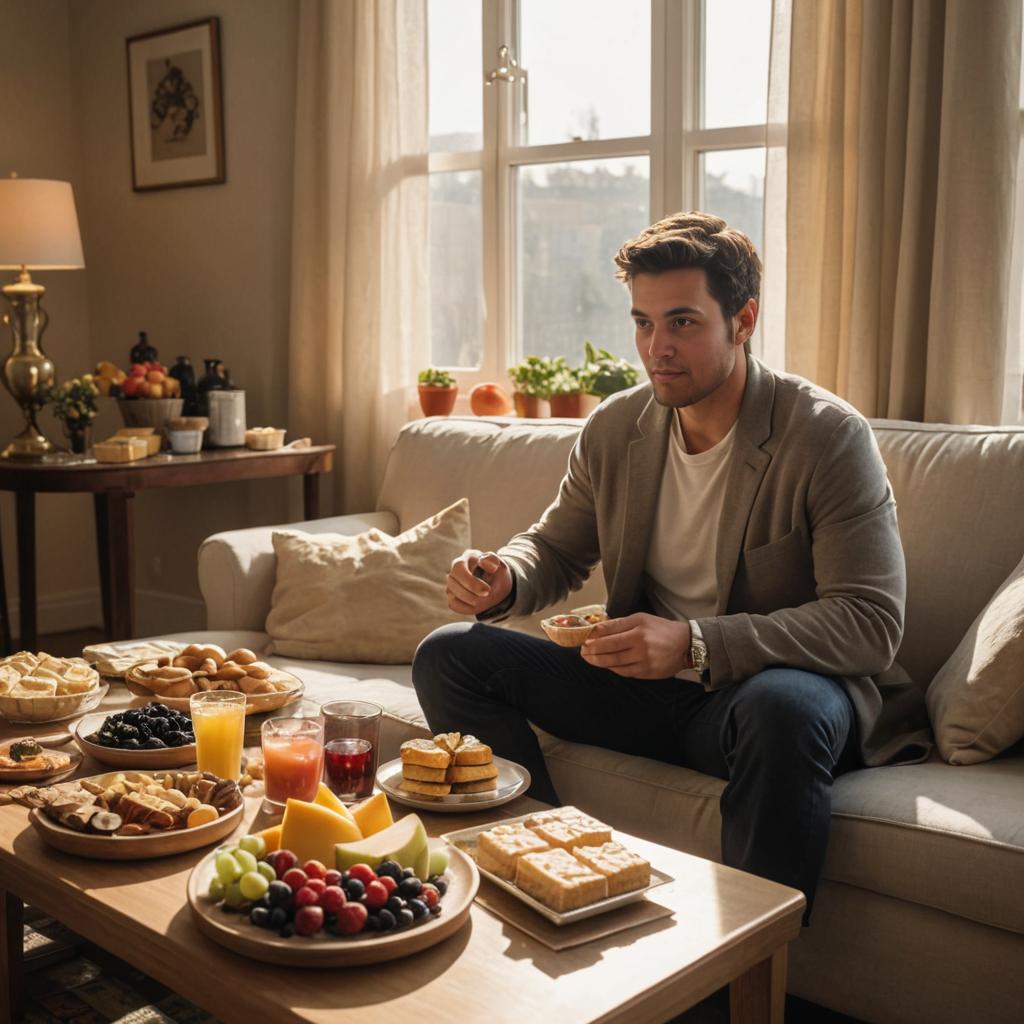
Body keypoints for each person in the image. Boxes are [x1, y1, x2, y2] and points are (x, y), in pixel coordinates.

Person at [412, 211, 931, 915]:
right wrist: (504, 575)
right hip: (643, 690)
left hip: (759, 699)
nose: (657, 347)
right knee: (449, 654)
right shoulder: (617, 427)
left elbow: (868, 623)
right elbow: (557, 545)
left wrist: (693, 643)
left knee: (786, 707)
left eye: (683, 322)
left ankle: (747, 976)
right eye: (644, 323)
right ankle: (538, 867)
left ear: (743, 321)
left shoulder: (826, 436)